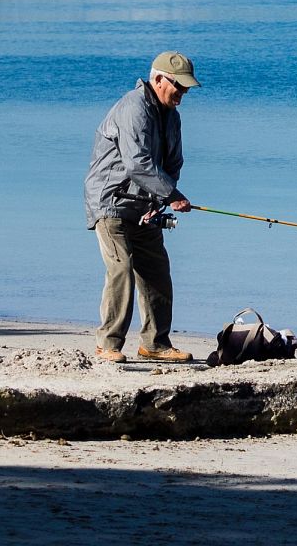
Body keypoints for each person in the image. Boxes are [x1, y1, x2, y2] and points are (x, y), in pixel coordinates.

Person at [84, 50, 199, 362]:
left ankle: (155, 344)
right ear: (158, 79)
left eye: (187, 88)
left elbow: (173, 163)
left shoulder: (172, 117)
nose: (183, 93)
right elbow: (138, 163)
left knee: (157, 270)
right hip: (110, 201)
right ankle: (107, 344)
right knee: (121, 268)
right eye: (179, 86)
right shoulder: (134, 107)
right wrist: (171, 195)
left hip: (143, 205)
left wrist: (160, 201)